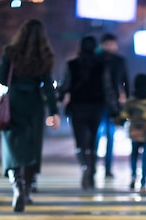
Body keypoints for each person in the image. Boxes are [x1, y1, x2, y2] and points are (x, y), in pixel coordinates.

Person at [0, 19, 60, 212]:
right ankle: (29, 188)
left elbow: (0, 77)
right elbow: (48, 87)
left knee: (12, 146)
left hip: (14, 103)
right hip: (34, 104)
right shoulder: (45, 56)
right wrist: (54, 112)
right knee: (32, 147)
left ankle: (17, 187)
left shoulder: (11, 52)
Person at [58, 35, 107, 190]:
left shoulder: (72, 65)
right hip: (97, 106)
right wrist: (113, 107)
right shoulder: (102, 65)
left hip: (77, 106)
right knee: (93, 141)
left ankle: (85, 167)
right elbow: (107, 86)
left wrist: (59, 97)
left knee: (80, 142)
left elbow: (65, 85)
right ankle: (91, 169)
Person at [117, 73, 146, 193]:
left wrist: (117, 120)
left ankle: (133, 176)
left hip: (135, 133)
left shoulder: (131, 103)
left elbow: (122, 117)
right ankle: (143, 183)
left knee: (134, 155)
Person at [97, 32, 129, 178]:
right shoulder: (97, 59)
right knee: (97, 135)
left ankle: (107, 168)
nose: (111, 47)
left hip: (113, 104)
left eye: (112, 44)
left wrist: (125, 99)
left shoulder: (119, 61)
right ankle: (94, 166)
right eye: (108, 44)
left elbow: (125, 81)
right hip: (99, 102)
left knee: (110, 136)